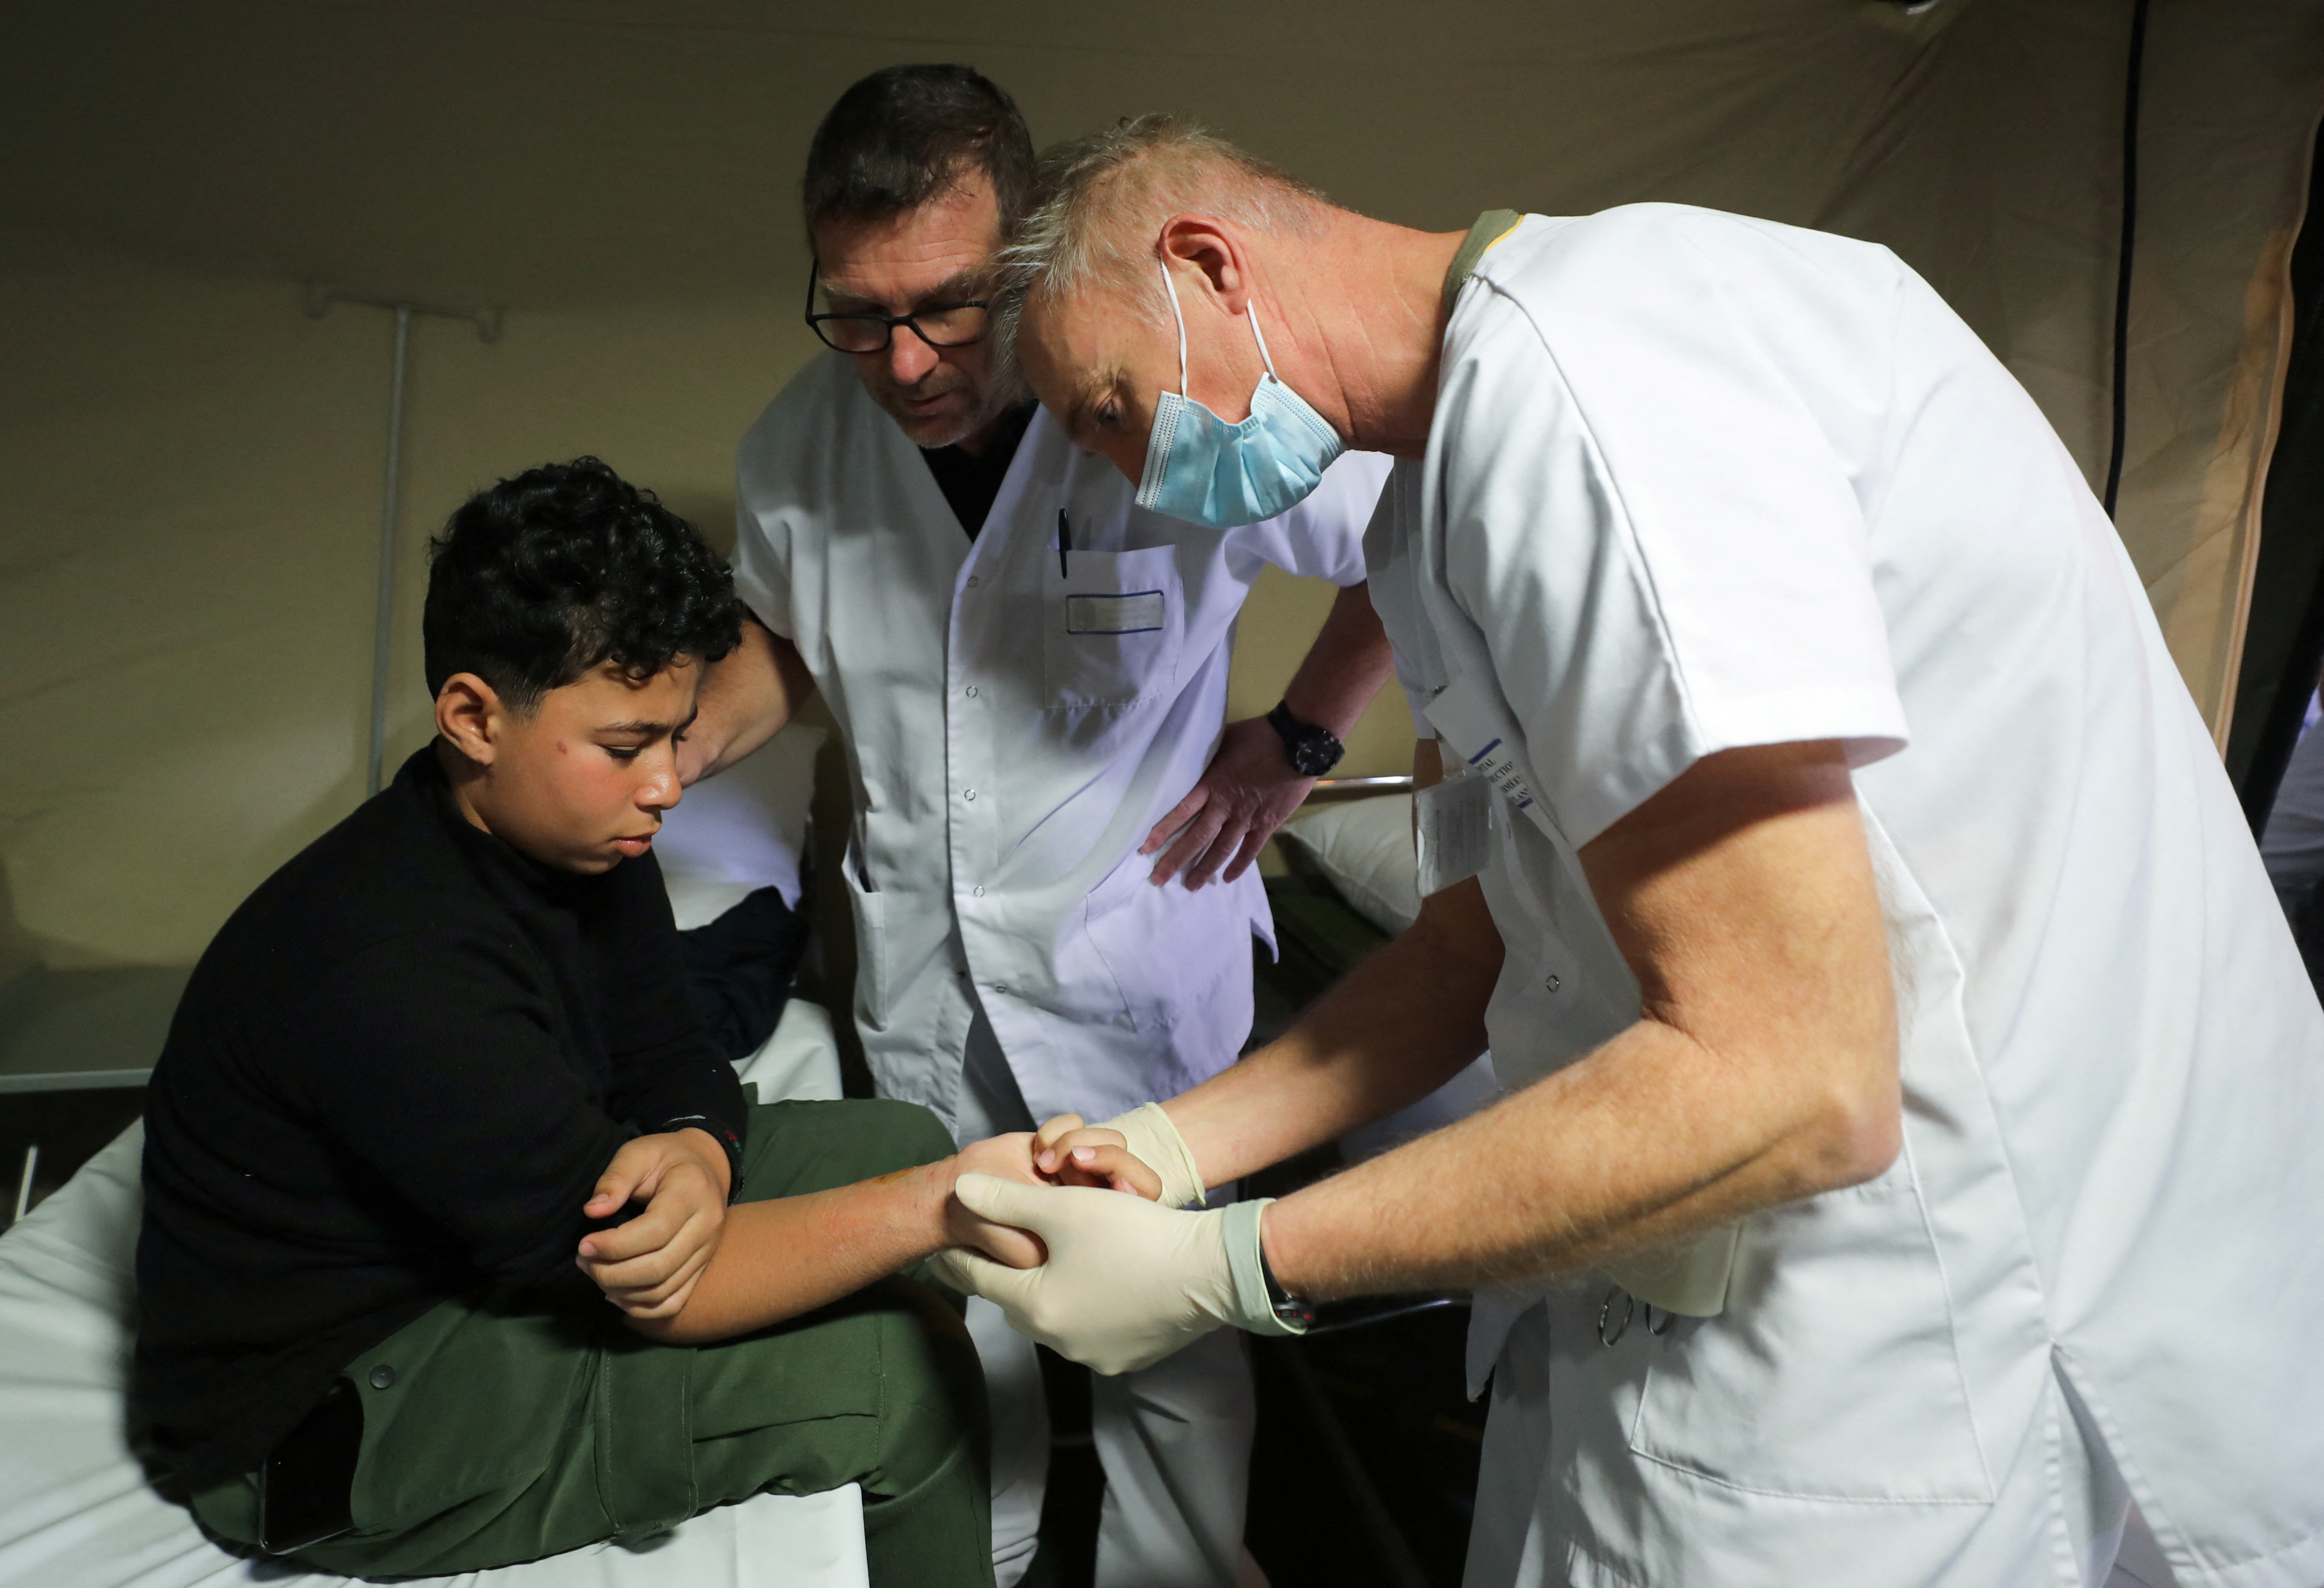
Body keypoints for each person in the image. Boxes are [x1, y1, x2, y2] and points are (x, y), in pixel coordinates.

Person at [941, 118, 2324, 1588]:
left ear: (1207, 265)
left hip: (1899, 1302)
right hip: (1679, 1276)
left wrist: (1237, 1268)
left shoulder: (1604, 394)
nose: (1139, 479)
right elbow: (1477, 949)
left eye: (1110, 409)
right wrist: (1170, 1148)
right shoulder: (1427, 514)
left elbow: (1793, 1076)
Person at [679, 68, 1394, 1588]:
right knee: (957, 1309)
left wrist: (1305, 735)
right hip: (926, 962)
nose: (907, 357)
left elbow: (1405, 538)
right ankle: (978, 1562)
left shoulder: (1154, 399)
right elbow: (795, 647)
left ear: (1024, 255)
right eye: (857, 314)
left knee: (1170, 1342)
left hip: (1128, 949)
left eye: (945, 305)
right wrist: (659, 745)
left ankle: (1177, 1571)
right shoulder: (799, 447)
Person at [133, 458, 1063, 1584]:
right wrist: (934, 1213)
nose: (669, 783)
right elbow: (662, 1290)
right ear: (473, 716)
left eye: (677, 736)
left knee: (906, 1140)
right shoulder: (387, 965)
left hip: (480, 1248)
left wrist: (694, 1144)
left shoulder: (575, 832)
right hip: (330, 1412)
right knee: (892, 1372)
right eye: (628, 746)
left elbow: (671, 1053)